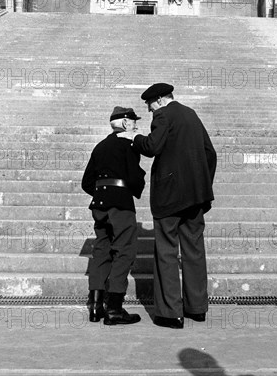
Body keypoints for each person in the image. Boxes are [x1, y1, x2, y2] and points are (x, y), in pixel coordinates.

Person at [119, 83, 217, 329]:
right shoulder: (191, 114)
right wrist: (202, 185)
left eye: (150, 105)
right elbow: (210, 153)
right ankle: (197, 308)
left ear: (161, 100)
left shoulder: (164, 114)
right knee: (194, 250)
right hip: (195, 196)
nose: (150, 111)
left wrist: (134, 138)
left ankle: (170, 313)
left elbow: (153, 146)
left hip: (170, 197)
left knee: (166, 251)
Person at [81, 106, 146, 325]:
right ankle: (115, 310)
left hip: (99, 204)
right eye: (134, 122)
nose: (136, 126)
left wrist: (103, 192)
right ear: (126, 123)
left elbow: (86, 182)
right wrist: (132, 188)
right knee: (124, 251)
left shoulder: (100, 146)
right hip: (120, 204)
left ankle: (96, 307)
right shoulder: (128, 143)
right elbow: (135, 176)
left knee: (101, 251)